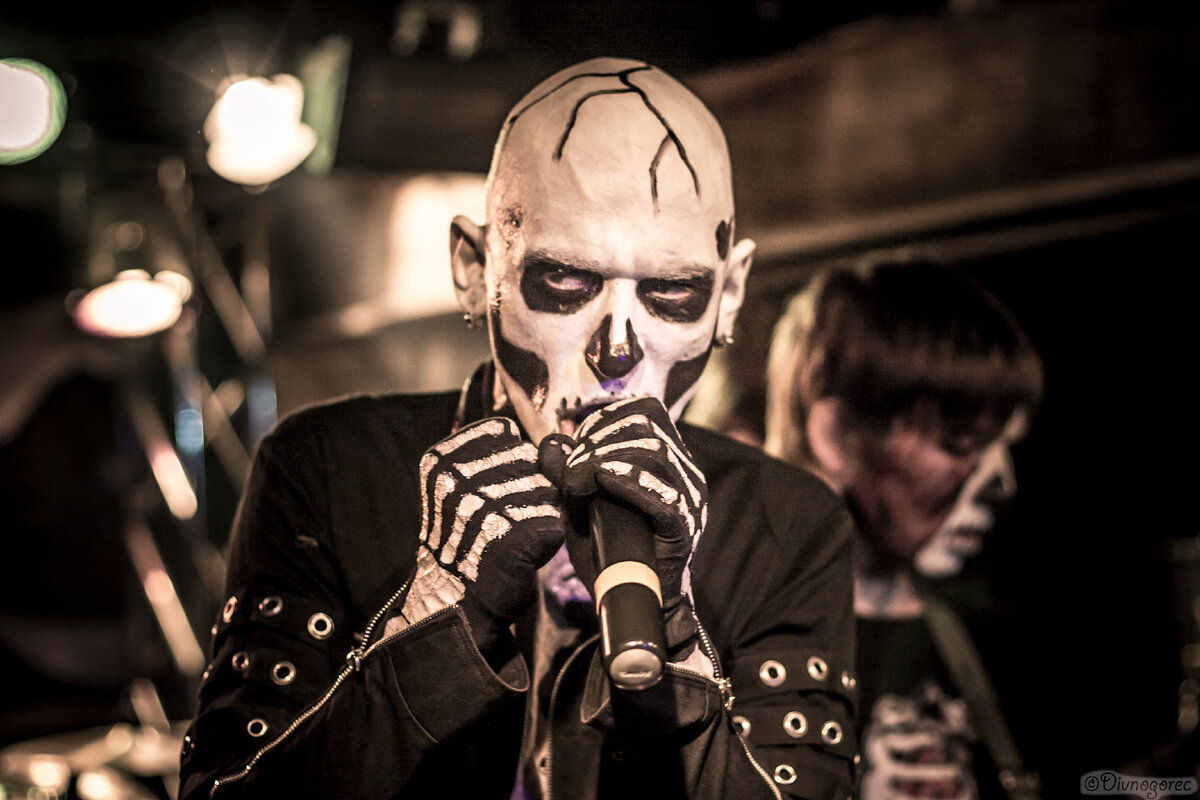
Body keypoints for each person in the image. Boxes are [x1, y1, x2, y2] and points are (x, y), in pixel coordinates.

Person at [178, 57, 858, 800]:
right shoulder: (330, 470)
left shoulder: (787, 522)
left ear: (728, 296)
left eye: (671, 292)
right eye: (565, 280)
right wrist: (436, 626)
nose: (618, 350)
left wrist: (674, 643)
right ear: (476, 271)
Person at [762, 256, 1045, 800]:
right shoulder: (731, 642)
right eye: (960, 444)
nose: (1001, 482)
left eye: (1002, 446)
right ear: (836, 435)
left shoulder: (988, 639)